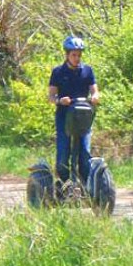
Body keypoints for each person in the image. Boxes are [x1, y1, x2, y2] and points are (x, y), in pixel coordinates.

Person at [48, 35, 100, 184]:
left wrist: (95, 96)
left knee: (84, 153)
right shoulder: (58, 72)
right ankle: (64, 183)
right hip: (64, 117)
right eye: (74, 55)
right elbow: (51, 96)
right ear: (67, 55)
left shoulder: (87, 71)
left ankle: (85, 185)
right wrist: (59, 100)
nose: (77, 58)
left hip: (83, 118)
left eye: (79, 55)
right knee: (63, 154)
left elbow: (95, 90)